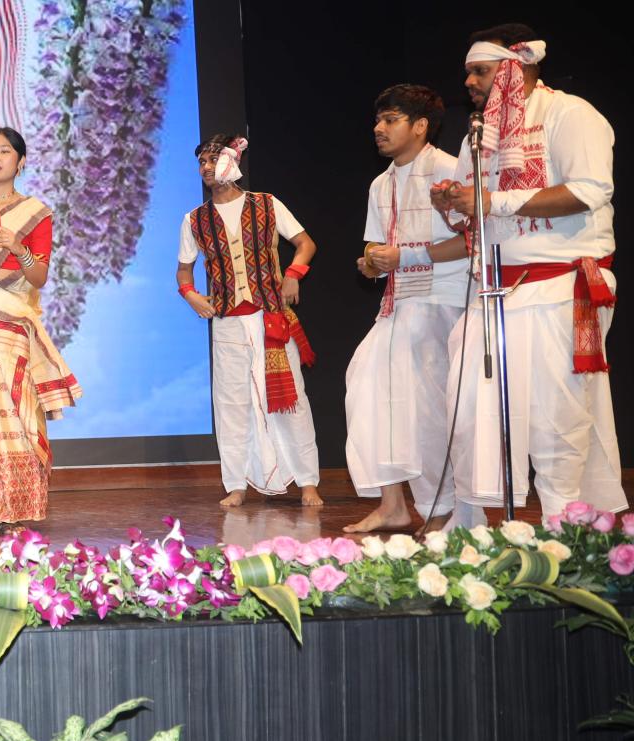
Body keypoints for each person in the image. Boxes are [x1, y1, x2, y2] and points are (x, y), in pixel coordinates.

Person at [430, 24, 622, 521]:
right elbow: (476, 208)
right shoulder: (482, 134)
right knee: (471, 409)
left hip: (560, 285)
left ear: (518, 66)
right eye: (468, 72)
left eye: (480, 71)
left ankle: (563, 523)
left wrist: (496, 202)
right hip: (494, 289)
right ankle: (470, 522)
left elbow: (590, 189)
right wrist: (456, 203)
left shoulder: (570, 114)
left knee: (556, 415)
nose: (469, 82)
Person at [342, 85, 468, 533]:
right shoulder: (381, 184)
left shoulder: (450, 171)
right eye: (377, 120)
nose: (378, 128)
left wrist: (405, 257)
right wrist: (371, 263)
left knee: (425, 408)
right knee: (366, 389)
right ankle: (393, 503)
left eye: (390, 119)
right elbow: (377, 249)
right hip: (397, 304)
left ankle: (444, 507)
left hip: (442, 302)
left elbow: (474, 241)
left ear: (419, 126)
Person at [175, 133, 323, 508]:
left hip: (270, 317)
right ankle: (237, 484)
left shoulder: (266, 204)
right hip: (227, 321)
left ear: (232, 161)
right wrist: (192, 296)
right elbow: (184, 272)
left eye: (213, 160)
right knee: (231, 404)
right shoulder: (195, 220)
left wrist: (293, 274)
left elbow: (306, 244)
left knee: (291, 400)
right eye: (202, 163)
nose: (207, 168)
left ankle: (307, 481)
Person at [0, 128, 82, 534]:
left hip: (10, 322)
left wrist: (17, 247)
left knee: (11, 411)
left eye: (4, 151)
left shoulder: (35, 212)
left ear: (20, 161)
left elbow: (39, 276)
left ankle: (17, 504)